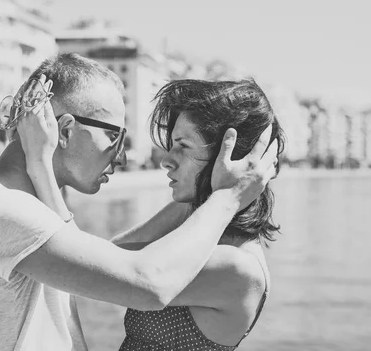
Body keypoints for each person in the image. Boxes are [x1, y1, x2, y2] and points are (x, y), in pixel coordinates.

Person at [0, 53, 279, 351]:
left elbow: (105, 262)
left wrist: (41, 167)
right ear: (65, 131)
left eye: (182, 146)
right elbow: (139, 278)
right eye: (114, 135)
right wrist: (229, 194)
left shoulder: (9, 210)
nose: (123, 156)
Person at [110, 78, 285, 350]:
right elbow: (110, 253)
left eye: (183, 146)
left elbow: (95, 270)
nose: (166, 159)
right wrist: (211, 192)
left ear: (229, 158)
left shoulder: (236, 267)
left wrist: (41, 167)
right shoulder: (203, 240)